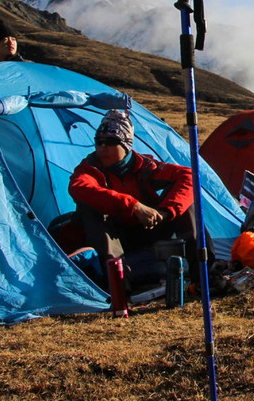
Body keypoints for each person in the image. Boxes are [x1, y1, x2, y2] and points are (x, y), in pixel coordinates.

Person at [68, 109, 211, 288]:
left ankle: (205, 274)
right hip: (117, 238)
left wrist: (165, 212)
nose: (103, 148)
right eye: (99, 142)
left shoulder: (145, 167)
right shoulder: (90, 169)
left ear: (127, 145)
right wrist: (134, 207)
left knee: (186, 202)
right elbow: (79, 188)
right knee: (91, 211)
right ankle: (119, 286)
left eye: (111, 142)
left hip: (149, 228)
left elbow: (189, 176)